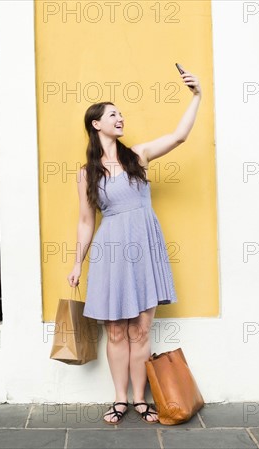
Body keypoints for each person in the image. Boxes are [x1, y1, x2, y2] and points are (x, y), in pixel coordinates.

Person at [67, 66, 201, 425]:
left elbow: (179, 136)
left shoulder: (137, 156)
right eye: (113, 114)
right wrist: (77, 263)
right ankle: (119, 399)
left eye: (121, 114)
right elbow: (85, 222)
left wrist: (197, 96)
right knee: (116, 331)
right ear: (96, 124)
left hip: (144, 246)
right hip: (111, 250)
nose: (120, 118)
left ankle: (141, 400)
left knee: (141, 328)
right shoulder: (86, 173)